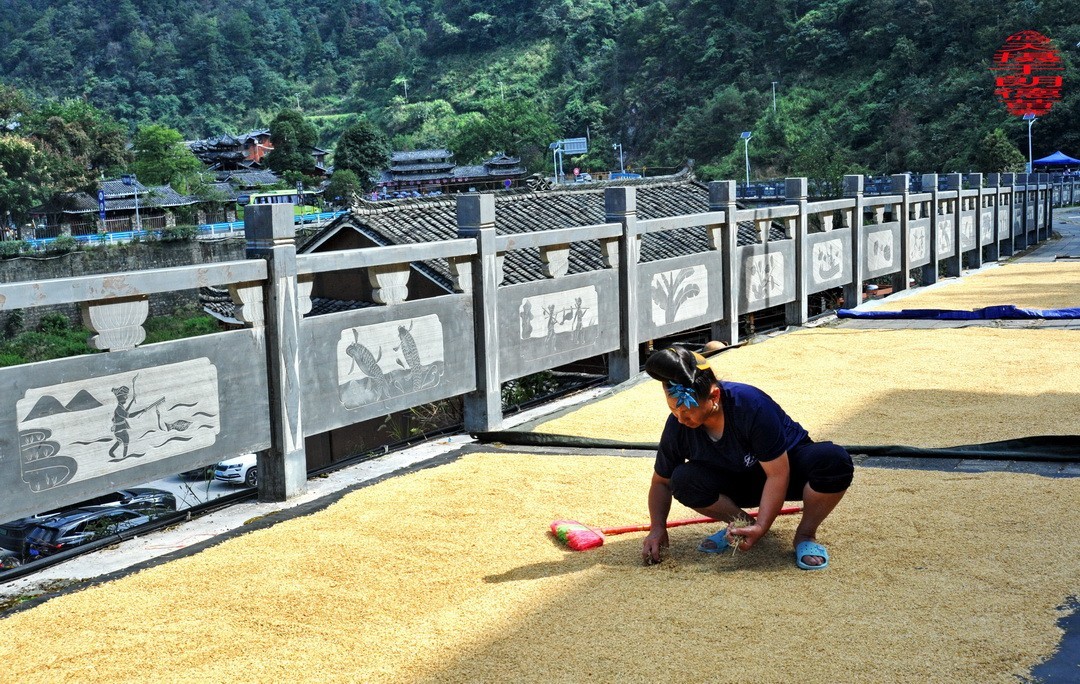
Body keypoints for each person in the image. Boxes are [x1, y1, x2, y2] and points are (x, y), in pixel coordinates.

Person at [640, 346, 853, 570]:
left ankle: (805, 535)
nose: (681, 419)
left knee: (834, 460)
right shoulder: (678, 425)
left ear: (714, 396)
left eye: (687, 411)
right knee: (682, 479)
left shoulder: (751, 405)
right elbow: (661, 482)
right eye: (674, 410)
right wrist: (657, 528)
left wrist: (763, 526)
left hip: (787, 472)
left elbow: (778, 474)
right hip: (736, 481)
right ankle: (740, 525)